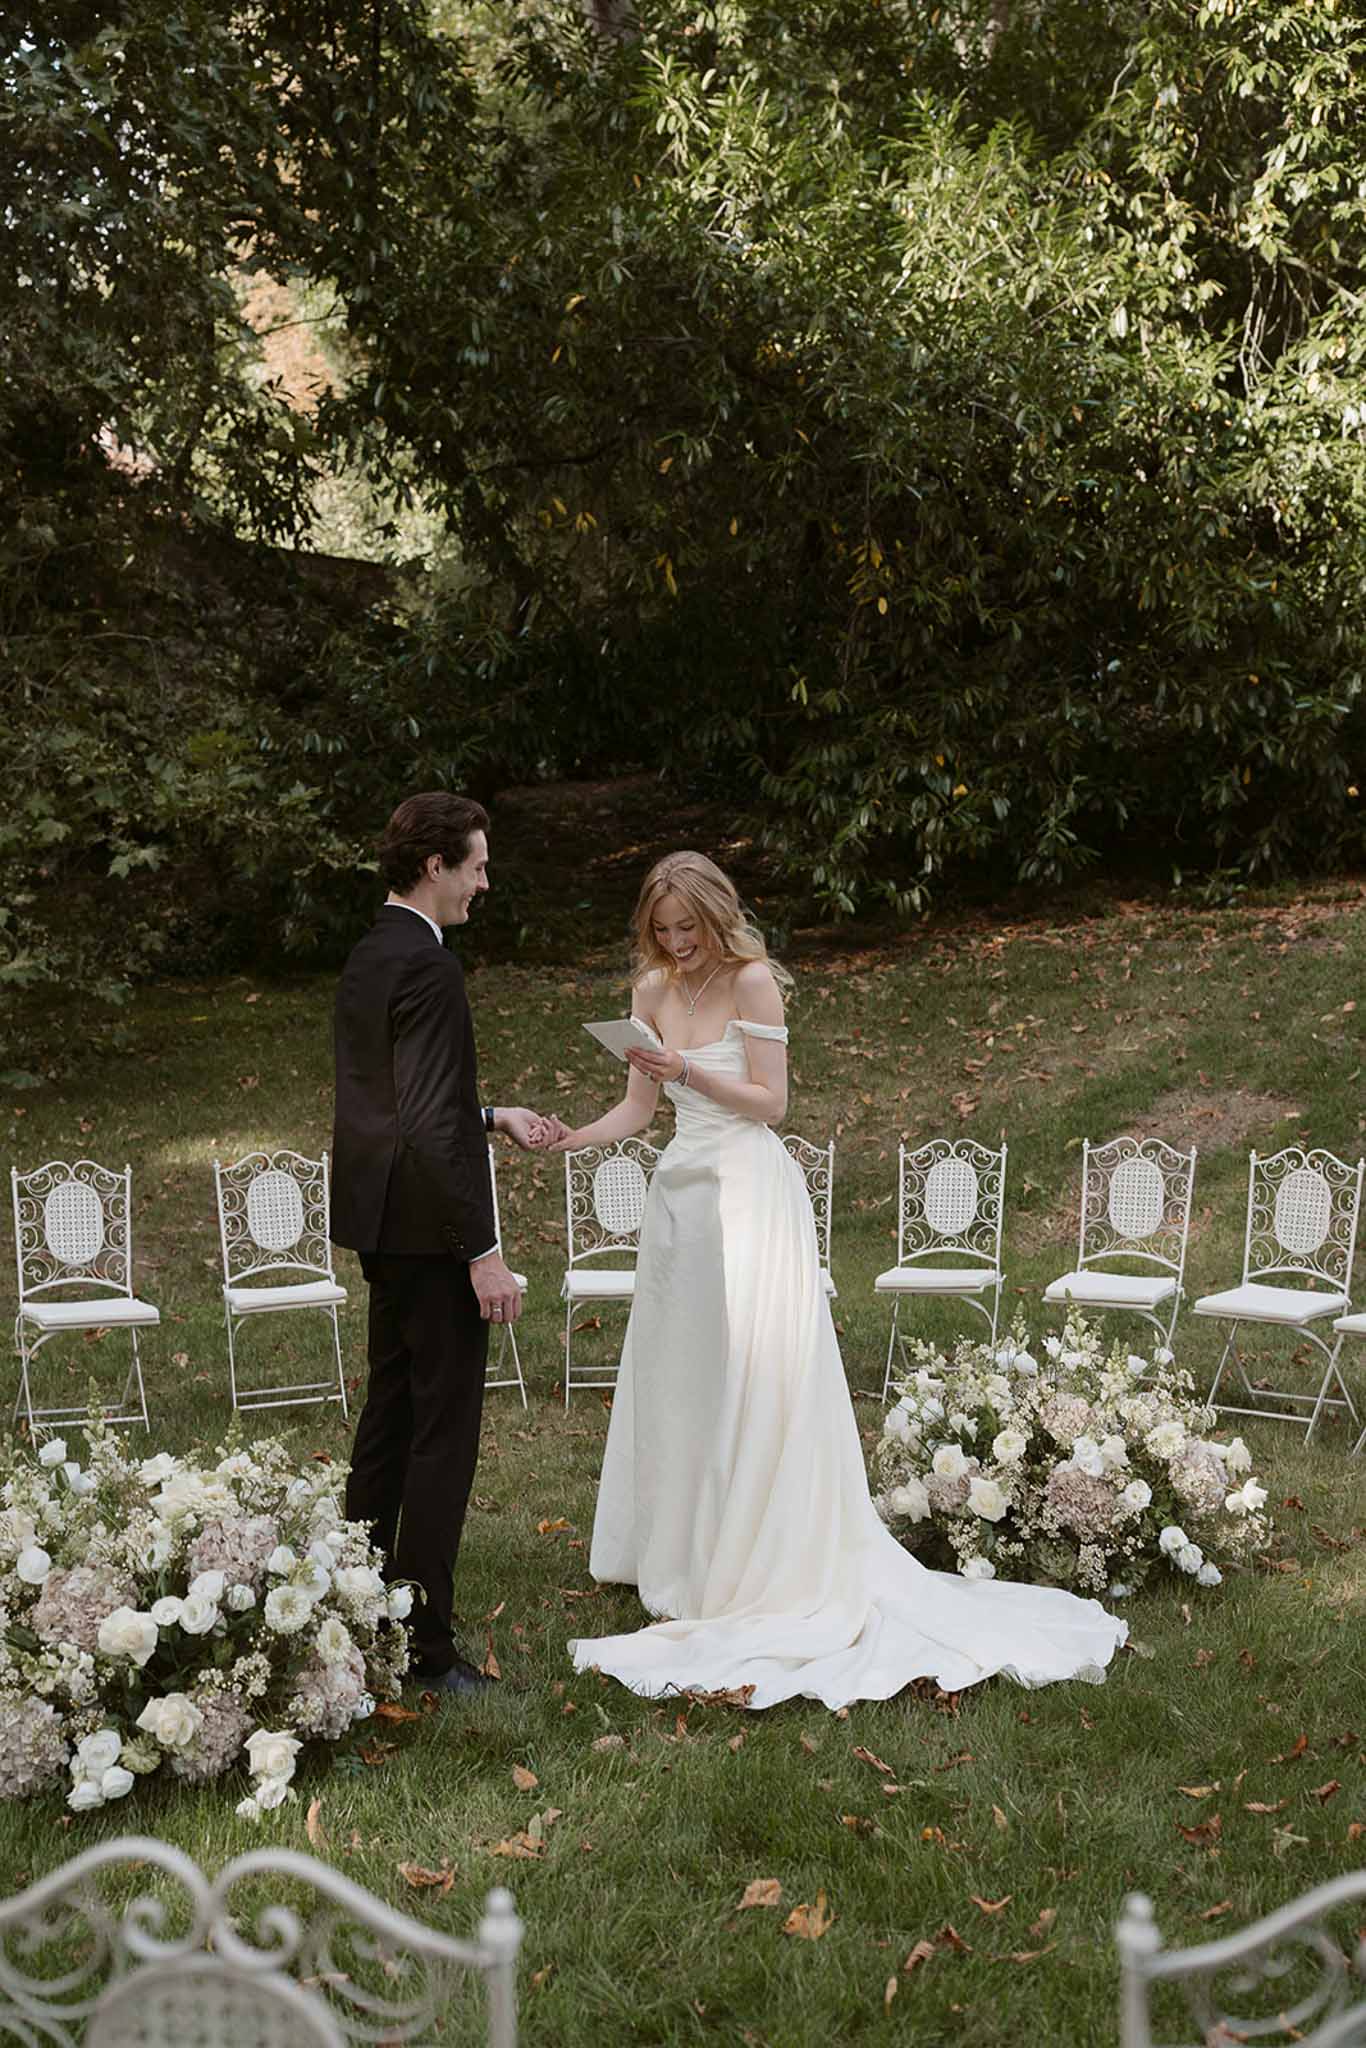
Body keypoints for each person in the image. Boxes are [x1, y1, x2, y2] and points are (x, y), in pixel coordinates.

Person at [556, 851, 1127, 1708]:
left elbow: (772, 1104)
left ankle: (758, 1552)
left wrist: (691, 1073)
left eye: (690, 930)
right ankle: (678, 1552)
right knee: (681, 1378)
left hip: (749, 1193)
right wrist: (573, 1136)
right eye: (663, 931)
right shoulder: (648, 994)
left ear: (719, 918)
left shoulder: (752, 983)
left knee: (751, 1375)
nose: (677, 944)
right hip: (680, 1201)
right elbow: (640, 1110)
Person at [331, 792, 551, 1697]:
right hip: (430, 1234)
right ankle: (426, 1649)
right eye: (477, 865)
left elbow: (392, 1100)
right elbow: (425, 1125)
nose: (485, 883)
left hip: (382, 1225)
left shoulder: (369, 953)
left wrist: (491, 1115)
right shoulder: (431, 969)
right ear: (436, 867)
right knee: (441, 1437)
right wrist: (482, 1252)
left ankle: (353, 1607)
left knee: (388, 1421)